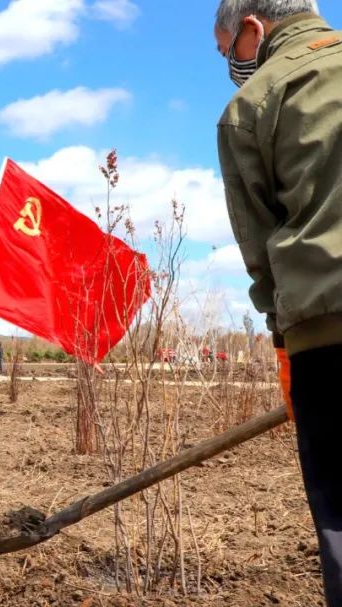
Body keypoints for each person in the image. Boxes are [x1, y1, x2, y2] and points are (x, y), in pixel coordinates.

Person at [213, 0, 340, 603]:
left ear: (253, 30)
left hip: (329, 339)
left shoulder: (254, 104)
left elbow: (261, 252)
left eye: (226, 52)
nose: (231, 66)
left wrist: (288, 346)